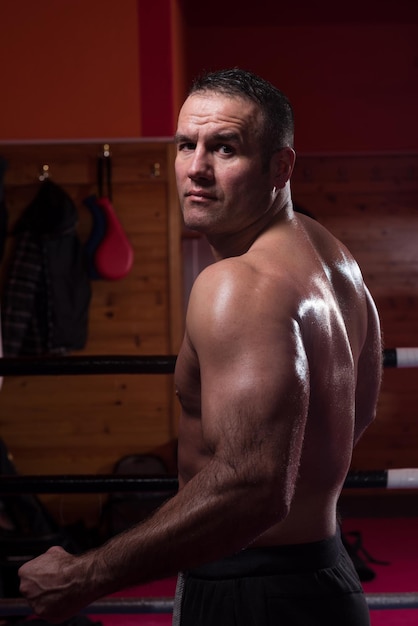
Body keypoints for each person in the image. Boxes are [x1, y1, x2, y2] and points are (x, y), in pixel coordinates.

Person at [18, 68, 382, 625]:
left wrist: (84, 575)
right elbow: (355, 413)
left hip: (250, 592)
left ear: (280, 167)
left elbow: (252, 487)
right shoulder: (337, 262)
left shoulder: (239, 283)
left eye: (226, 149)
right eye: (187, 144)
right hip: (324, 575)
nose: (195, 169)